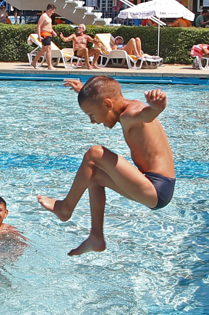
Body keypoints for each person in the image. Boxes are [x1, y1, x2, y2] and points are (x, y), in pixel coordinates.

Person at [38, 76, 175, 256]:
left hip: (156, 187)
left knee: (95, 153)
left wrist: (157, 107)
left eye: (91, 115)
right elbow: (104, 102)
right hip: (153, 186)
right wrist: (83, 91)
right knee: (92, 174)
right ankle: (96, 237)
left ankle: (65, 208)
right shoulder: (122, 108)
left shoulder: (132, 113)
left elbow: (146, 114)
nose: (93, 122)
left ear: (108, 104)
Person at [30, 4, 57, 69]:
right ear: (50, 10)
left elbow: (48, 26)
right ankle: (49, 66)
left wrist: (53, 32)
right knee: (49, 49)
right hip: (44, 34)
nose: (53, 13)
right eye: (53, 11)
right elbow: (39, 26)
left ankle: (34, 62)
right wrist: (39, 36)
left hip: (48, 34)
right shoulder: (44, 16)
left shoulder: (49, 17)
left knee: (43, 50)